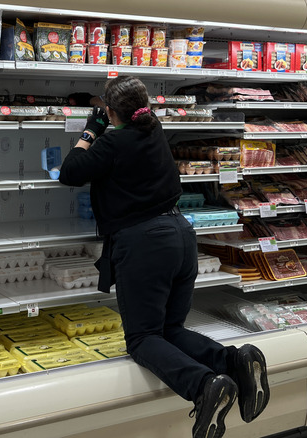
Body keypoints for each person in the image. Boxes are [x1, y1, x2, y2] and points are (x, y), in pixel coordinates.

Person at [59, 76, 270, 438]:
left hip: (144, 244)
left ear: (111, 112)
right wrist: (110, 120)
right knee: (170, 330)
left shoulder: (113, 142)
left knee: (142, 338)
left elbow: (70, 172)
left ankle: (205, 386)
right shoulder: (154, 131)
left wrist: (91, 130)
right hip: (181, 236)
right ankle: (235, 360)